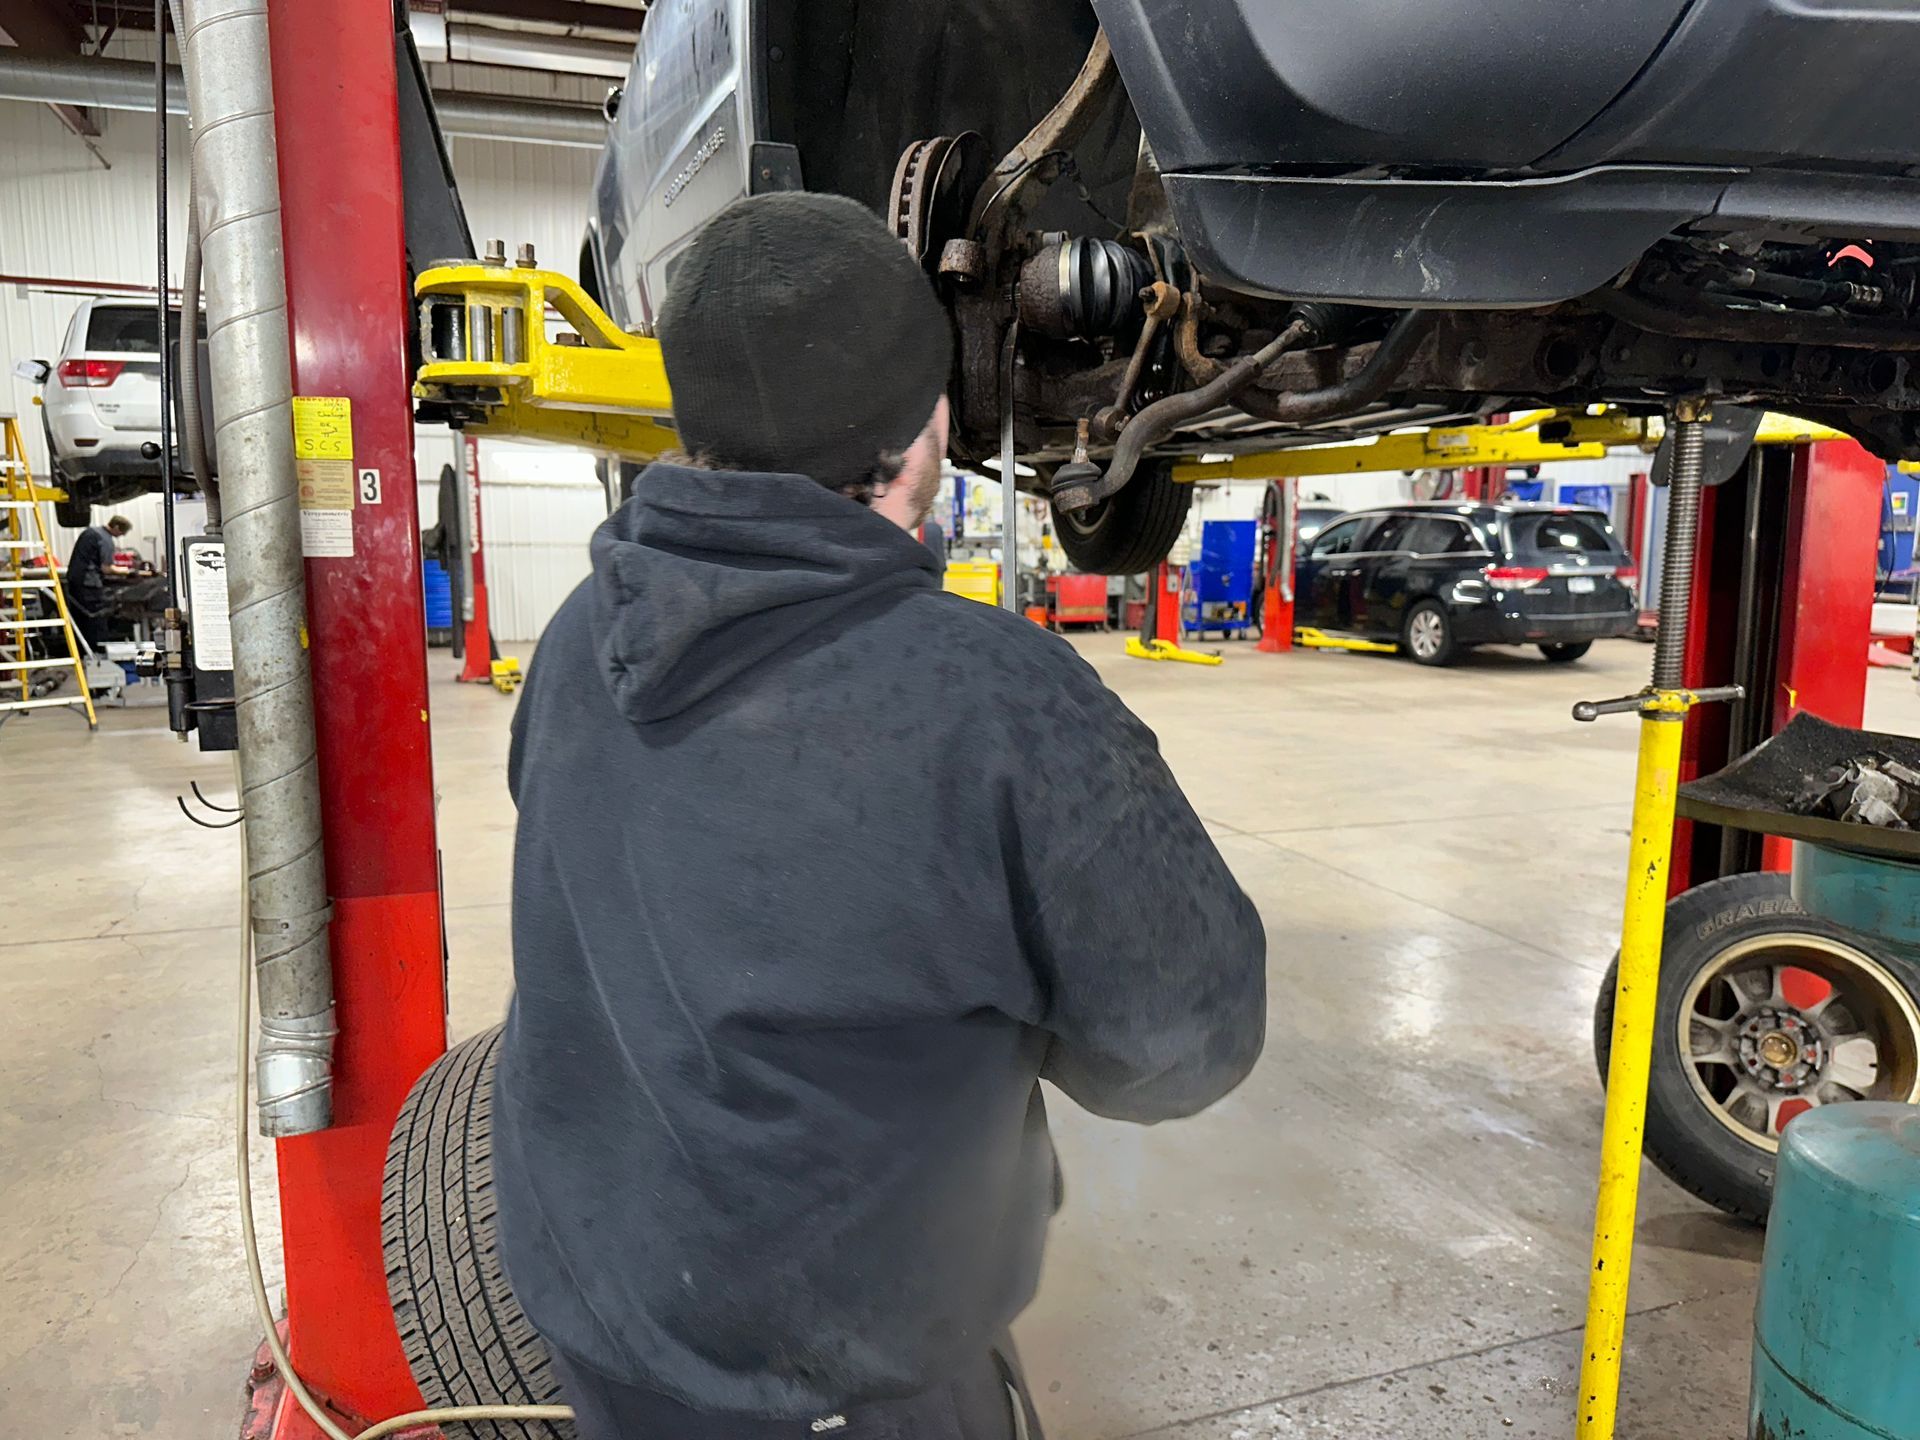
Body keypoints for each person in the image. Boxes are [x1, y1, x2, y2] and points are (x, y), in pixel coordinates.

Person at [494, 192, 1267, 1440]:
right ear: (931, 426)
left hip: (605, 1317)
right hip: (837, 1376)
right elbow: (1190, 1041)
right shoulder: (998, 699)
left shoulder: (585, 634)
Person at [63, 514, 132, 650]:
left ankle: (81, 651)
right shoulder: (105, 540)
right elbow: (106, 568)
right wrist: (127, 571)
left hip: (74, 582)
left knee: (79, 620)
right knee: (96, 620)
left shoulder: (90, 532)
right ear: (116, 527)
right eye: (122, 532)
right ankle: (97, 651)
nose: (121, 536)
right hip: (89, 585)